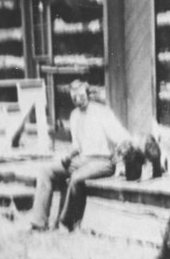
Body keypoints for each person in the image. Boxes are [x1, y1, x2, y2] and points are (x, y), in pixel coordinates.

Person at [29, 80, 130, 231]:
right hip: (83, 160)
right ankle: (39, 223)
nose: (78, 100)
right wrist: (68, 155)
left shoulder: (101, 112)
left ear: (88, 94)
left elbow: (122, 137)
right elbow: (77, 145)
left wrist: (120, 159)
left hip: (103, 162)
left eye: (81, 95)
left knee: (76, 178)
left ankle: (66, 223)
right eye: (74, 97)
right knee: (46, 171)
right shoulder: (74, 115)